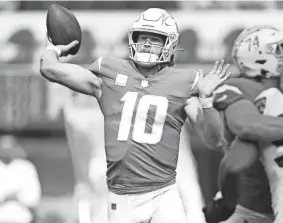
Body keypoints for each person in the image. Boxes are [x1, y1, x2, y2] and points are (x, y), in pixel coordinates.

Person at [40, 8, 231, 223]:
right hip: (121, 195)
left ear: (170, 44)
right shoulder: (110, 73)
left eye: (155, 39)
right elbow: (50, 69)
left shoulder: (184, 82)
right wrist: (52, 48)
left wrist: (206, 102)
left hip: (163, 193)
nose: (148, 43)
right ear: (133, 39)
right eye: (143, 37)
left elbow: (214, 139)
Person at [202, 25, 283, 223]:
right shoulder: (237, 87)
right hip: (252, 209)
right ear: (258, 56)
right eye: (278, 50)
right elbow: (247, 126)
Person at [0, 135, 41, 223]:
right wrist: (6, 196)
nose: (6, 151)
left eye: (9, 148)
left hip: (22, 218)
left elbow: (33, 196)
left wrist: (17, 197)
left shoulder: (26, 168)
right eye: (3, 148)